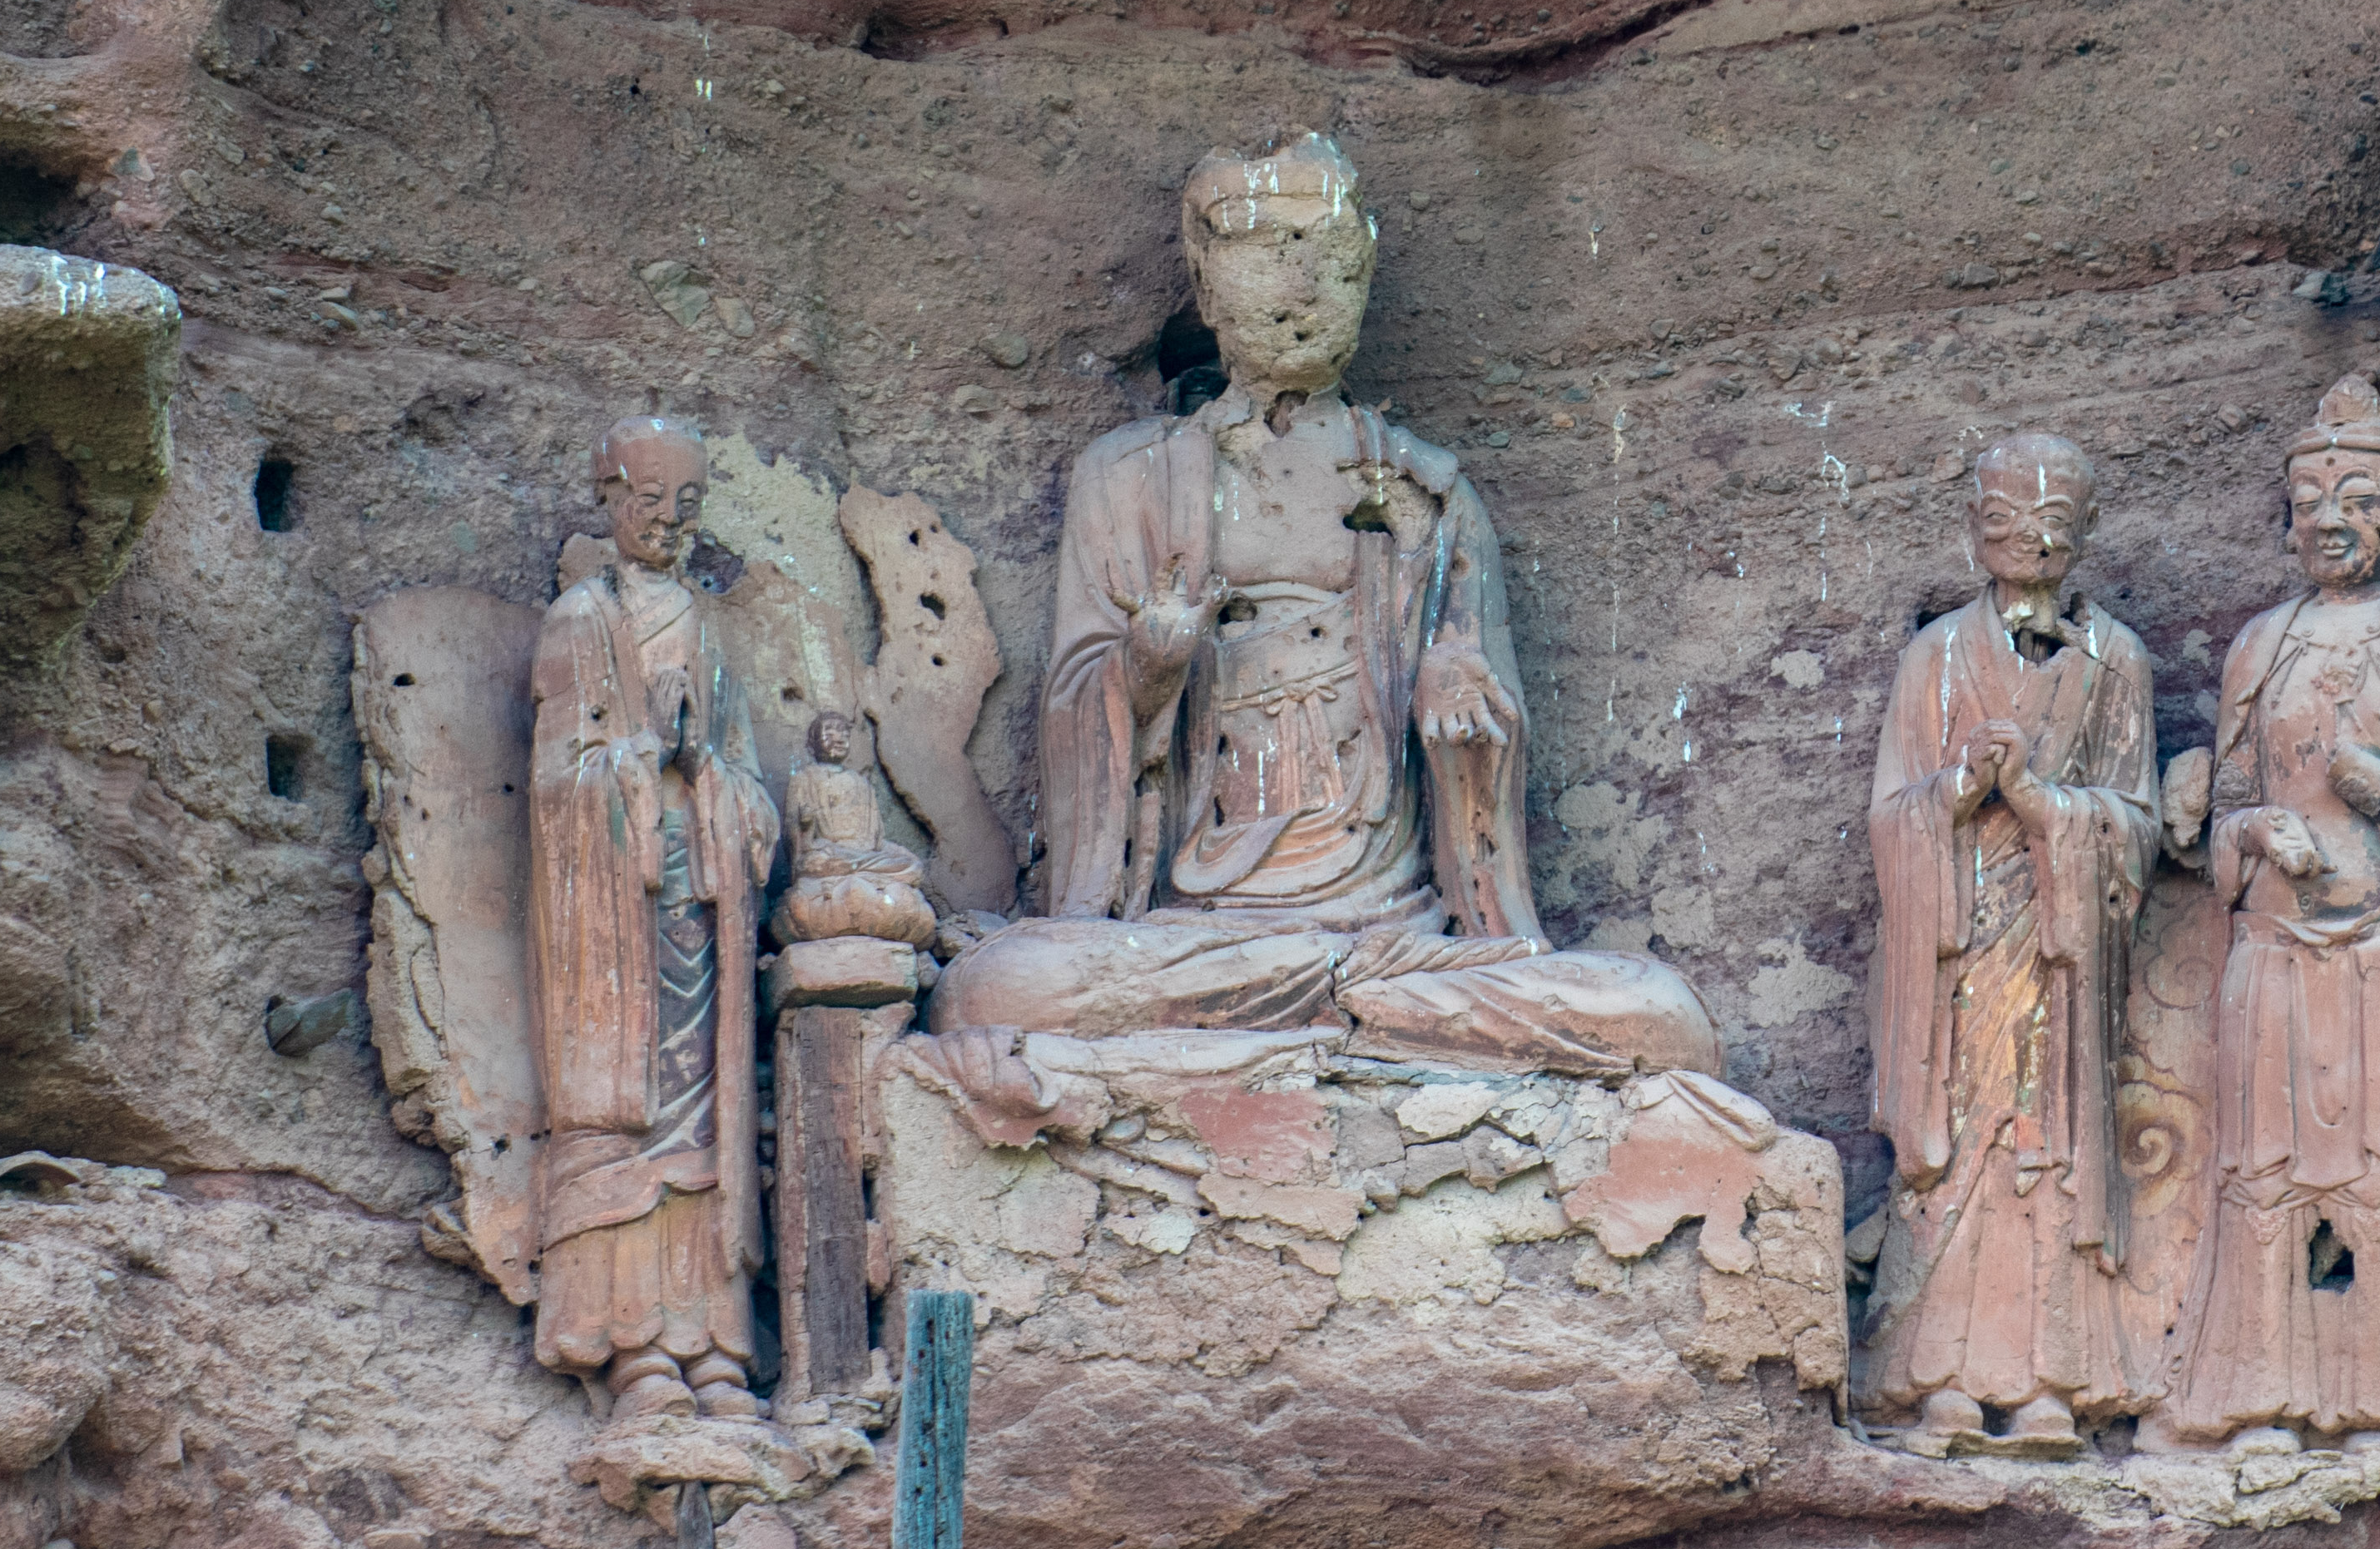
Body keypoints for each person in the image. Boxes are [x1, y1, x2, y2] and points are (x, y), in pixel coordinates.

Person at [933, 133, 1723, 1076]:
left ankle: (1332, 1026)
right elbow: (1075, 712)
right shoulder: (1128, 482)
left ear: (1365, 274)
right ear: (1205, 277)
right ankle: (1334, 1031)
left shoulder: (1433, 498)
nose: (1302, 281)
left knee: (1656, 1013)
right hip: (1200, 939)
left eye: (1331, 254)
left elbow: (1486, 789)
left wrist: (1463, 711)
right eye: (1267, 247)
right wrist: (1147, 668)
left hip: (1395, 936)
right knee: (999, 989)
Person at [2163, 379, 2380, 1452]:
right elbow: (2218, 820)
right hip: (2271, 940)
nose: (2330, 518)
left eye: (2358, 496)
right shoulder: (2260, 645)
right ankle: (2256, 1400)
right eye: (2310, 498)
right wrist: (2258, 833)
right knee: (2260, 1178)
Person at [1862, 436, 2162, 1452]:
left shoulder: (2116, 661)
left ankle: (2050, 1382)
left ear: (2081, 532)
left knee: (2050, 1147)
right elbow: (1889, 813)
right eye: (2004, 522)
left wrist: (2043, 803)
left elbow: (2139, 818)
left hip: (2061, 945)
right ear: (1971, 531)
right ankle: (1933, 1377)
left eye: (2051, 523)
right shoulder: (1934, 656)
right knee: (1956, 1142)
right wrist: (1961, 787)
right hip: (1955, 942)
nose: (2028, 540)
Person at [528, 418, 775, 1423]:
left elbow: (753, 781)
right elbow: (553, 785)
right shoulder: (579, 621)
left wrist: (705, 769)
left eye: (686, 510)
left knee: (706, 1119)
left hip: (704, 910)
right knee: (628, 1119)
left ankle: (711, 1340)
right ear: (612, 500)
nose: (666, 527)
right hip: (611, 925)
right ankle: (632, 1346)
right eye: (647, 506)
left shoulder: (712, 630)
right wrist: (636, 760)